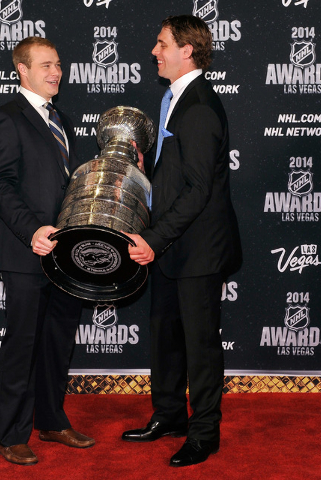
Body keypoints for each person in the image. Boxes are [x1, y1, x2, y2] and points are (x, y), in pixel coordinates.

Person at [122, 15, 242, 467]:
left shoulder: (198, 107)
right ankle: (169, 415)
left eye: (161, 43)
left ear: (186, 50)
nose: (154, 51)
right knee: (165, 337)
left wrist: (152, 238)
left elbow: (199, 190)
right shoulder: (176, 98)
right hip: (174, 246)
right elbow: (180, 176)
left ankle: (204, 432)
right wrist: (148, 168)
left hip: (197, 250)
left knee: (199, 344)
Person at [0, 36, 94, 466]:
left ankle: (51, 420)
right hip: (26, 252)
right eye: (46, 65)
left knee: (57, 340)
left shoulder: (61, 118)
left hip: (66, 255)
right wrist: (33, 230)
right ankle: (10, 434)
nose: (56, 72)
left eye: (59, 64)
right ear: (21, 70)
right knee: (23, 344)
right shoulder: (5, 119)